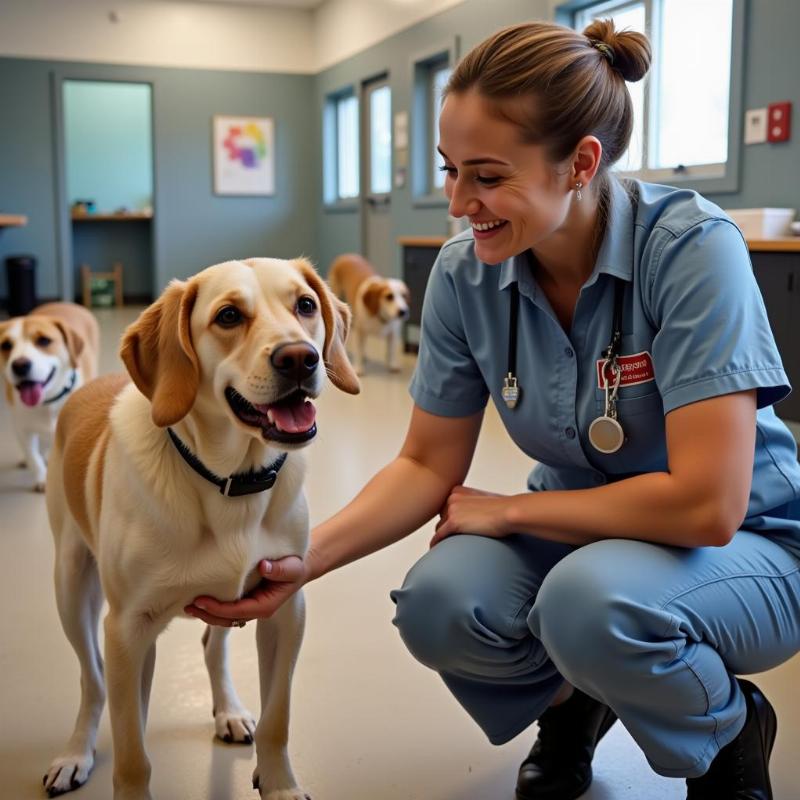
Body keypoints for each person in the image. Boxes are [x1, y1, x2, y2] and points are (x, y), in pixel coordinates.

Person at [186, 18, 800, 800]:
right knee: (440, 604)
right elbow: (424, 462)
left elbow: (709, 506)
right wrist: (302, 564)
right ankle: (575, 705)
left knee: (587, 604)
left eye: (485, 175)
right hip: (582, 528)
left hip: (750, 545)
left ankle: (725, 736)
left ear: (581, 163)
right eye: (450, 171)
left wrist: (511, 513)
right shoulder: (466, 275)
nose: (457, 202)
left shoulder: (688, 250)